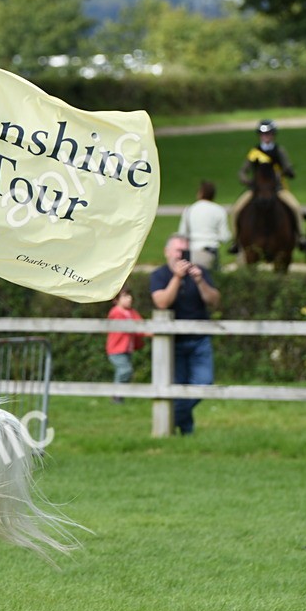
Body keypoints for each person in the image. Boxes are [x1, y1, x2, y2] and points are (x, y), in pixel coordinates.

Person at [150, 234, 221, 436]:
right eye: (177, 250)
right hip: (173, 343)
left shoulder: (200, 273)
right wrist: (177, 277)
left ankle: (174, 419)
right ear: (167, 252)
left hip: (199, 340)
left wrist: (199, 281)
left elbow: (214, 300)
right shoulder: (159, 275)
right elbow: (162, 302)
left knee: (204, 384)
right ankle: (186, 430)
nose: (181, 254)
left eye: (185, 251)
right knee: (177, 388)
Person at [231, 120, 303, 245]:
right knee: (236, 209)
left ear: (273, 134)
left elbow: (289, 169)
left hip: (277, 189)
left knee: (296, 207)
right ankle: (236, 239)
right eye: (263, 134)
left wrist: (287, 171)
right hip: (257, 189)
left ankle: (300, 236)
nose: (266, 136)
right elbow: (243, 171)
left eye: (268, 134)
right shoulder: (254, 152)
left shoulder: (279, 151)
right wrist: (246, 180)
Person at [178, 180, 231, 271]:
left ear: (200, 193)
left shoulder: (189, 209)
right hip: (211, 250)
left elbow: (182, 233)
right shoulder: (219, 210)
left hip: (192, 251)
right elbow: (225, 237)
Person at [105, 287, 146, 404]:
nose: (129, 298)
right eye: (125, 296)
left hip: (127, 349)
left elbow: (141, 325)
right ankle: (116, 395)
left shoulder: (132, 312)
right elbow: (132, 327)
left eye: (129, 296)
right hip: (116, 349)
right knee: (125, 370)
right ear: (116, 300)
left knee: (126, 372)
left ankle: (119, 395)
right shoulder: (116, 312)